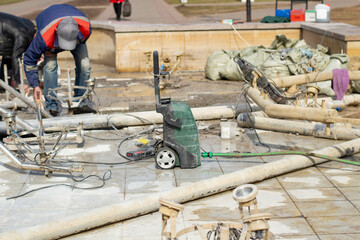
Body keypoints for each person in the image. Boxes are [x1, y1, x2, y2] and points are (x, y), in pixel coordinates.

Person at [24, 4, 96, 116]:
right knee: (50, 67)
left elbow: (82, 43)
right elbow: (29, 60)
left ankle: (81, 102)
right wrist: (35, 86)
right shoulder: (44, 37)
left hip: (75, 35)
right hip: (49, 23)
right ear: (56, 31)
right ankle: (51, 105)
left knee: (85, 65)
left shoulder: (85, 29)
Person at [0, 12, 35, 93]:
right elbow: (16, 57)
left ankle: (4, 83)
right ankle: (6, 83)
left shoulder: (29, 26)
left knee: (9, 53)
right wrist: (19, 82)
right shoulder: (23, 35)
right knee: (14, 54)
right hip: (3, 28)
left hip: (5, 30)